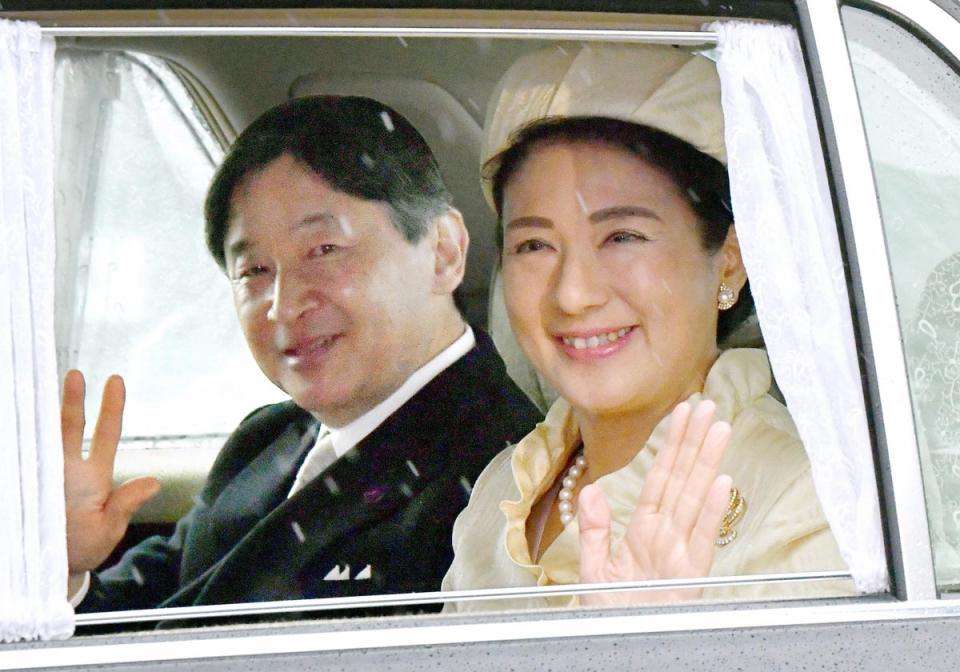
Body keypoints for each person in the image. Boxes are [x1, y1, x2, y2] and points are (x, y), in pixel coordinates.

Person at [62, 95, 542, 614]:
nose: (284, 306)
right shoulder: (263, 441)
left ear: (442, 251)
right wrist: (66, 570)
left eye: (324, 251)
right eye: (254, 272)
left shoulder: (506, 484)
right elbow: (139, 628)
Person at [442, 45, 851, 612]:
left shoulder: (806, 503)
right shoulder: (503, 489)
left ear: (729, 258)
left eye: (623, 237)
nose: (573, 293)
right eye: (534, 245)